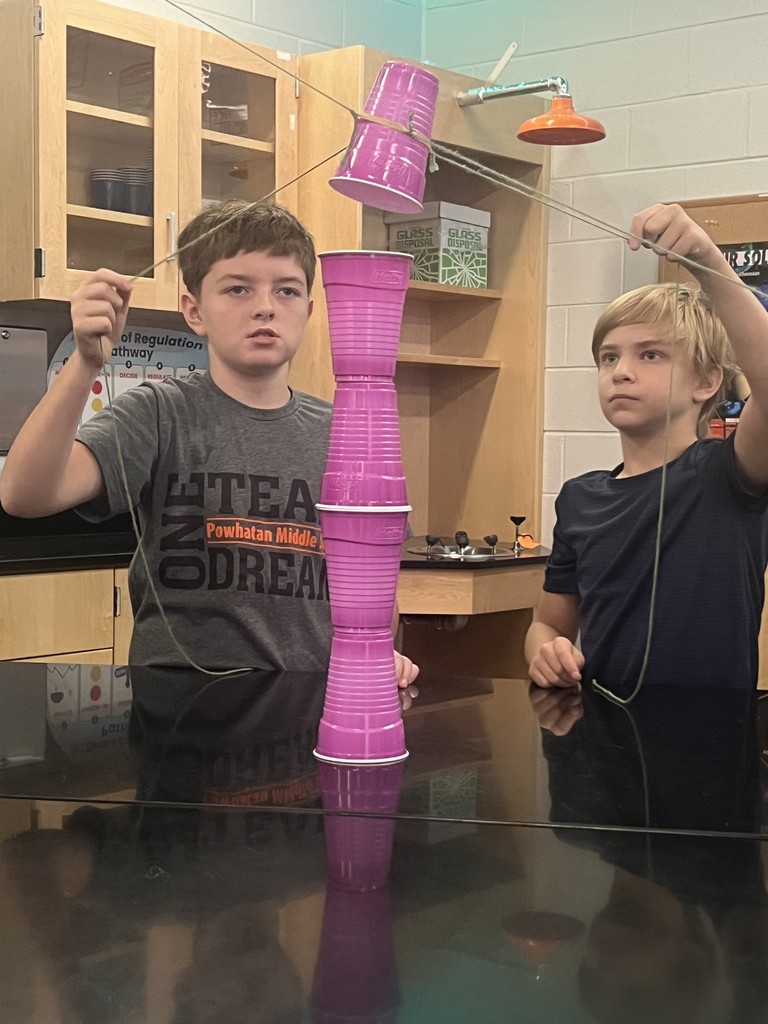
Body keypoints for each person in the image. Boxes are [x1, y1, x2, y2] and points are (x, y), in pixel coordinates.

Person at [0, 199, 418, 690]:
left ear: (307, 311)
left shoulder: (348, 432)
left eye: (286, 290)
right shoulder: (157, 413)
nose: (265, 305)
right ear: (194, 311)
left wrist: (375, 653)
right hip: (179, 717)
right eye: (238, 288)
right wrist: (86, 364)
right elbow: (23, 494)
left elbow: (374, 581)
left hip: (308, 712)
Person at [525, 202, 768, 693]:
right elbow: (548, 624)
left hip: (708, 753)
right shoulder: (579, 498)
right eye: (608, 357)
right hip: (598, 754)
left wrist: (705, 258)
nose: (621, 371)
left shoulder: (729, 474)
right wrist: (544, 650)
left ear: (706, 381)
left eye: (650, 355)